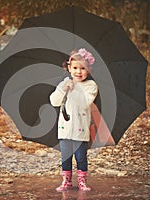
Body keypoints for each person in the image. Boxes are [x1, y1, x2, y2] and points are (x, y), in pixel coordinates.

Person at [50, 48, 98, 192]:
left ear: (88, 70)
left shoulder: (90, 86)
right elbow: (54, 101)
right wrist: (63, 89)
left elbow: (84, 103)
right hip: (64, 128)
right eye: (75, 68)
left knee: (80, 156)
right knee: (66, 156)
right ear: (69, 68)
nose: (78, 72)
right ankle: (67, 181)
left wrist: (75, 90)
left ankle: (82, 181)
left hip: (80, 130)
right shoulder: (65, 83)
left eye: (83, 68)